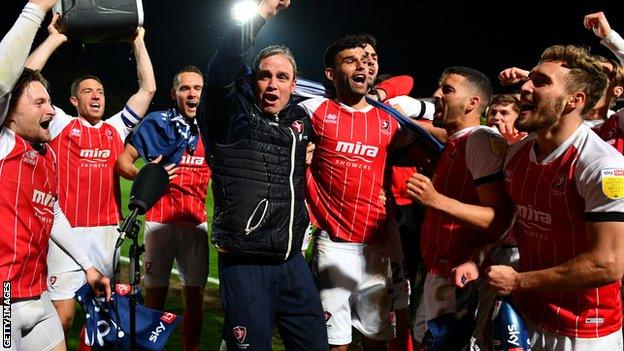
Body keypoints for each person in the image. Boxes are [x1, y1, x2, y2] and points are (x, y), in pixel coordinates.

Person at [458, 45, 624, 350]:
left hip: (584, 331)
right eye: (528, 78)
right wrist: (478, 255)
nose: (525, 87)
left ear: (575, 100)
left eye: (541, 82)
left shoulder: (604, 166)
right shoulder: (518, 154)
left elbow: (608, 263)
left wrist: (519, 281)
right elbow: (514, 218)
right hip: (526, 315)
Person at [198, 0, 327, 350]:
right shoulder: (232, 117)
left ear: (293, 83)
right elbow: (221, 71)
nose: (272, 84)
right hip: (245, 263)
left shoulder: (298, 123)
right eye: (264, 75)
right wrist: (261, 14)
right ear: (252, 80)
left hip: (291, 262)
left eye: (281, 77)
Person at [24, 13, 156, 340]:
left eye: (99, 91)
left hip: (108, 233)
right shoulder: (60, 124)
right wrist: (55, 37)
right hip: (66, 232)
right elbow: (26, 79)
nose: (96, 96)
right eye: (87, 91)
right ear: (73, 100)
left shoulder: (114, 129)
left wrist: (137, 41)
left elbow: (148, 88)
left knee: (103, 319)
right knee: (63, 316)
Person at [298, 32, 421, 350]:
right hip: (333, 246)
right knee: (336, 343)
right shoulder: (314, 111)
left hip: (377, 249)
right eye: (350, 61)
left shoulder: (389, 121)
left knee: (375, 340)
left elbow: (440, 137)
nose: (362, 66)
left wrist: (411, 105)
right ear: (330, 73)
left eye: (367, 61)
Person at [1, 4, 111, 347]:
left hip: (37, 296)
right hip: (3, 302)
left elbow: (53, 213)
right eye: (40, 104)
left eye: (50, 102)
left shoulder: (45, 155)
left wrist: (88, 266)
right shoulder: (3, 145)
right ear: (9, 110)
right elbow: (8, 76)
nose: (51, 110)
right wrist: (36, 9)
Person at [405, 67, 511, 348]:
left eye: (448, 90)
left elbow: (500, 219)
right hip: (437, 272)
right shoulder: (456, 140)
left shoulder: (482, 140)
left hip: (461, 277)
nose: (437, 94)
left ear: (472, 103)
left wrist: (435, 200)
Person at [115, 65, 210, 351]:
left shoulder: (213, 127)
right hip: (160, 224)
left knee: (195, 300)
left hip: (196, 224)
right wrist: (148, 178)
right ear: (174, 94)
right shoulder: (158, 123)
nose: (192, 93)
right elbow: (123, 162)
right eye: (185, 88)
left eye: (198, 88)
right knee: (154, 299)